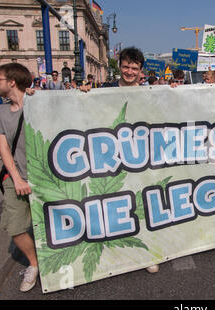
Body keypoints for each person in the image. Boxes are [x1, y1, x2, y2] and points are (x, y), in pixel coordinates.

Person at [79, 47, 159, 273]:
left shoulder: (150, 93)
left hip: (141, 159)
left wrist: (172, 90)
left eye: (134, 68)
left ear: (141, 71)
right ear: (119, 66)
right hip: (112, 160)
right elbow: (83, 110)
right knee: (116, 206)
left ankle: (146, 254)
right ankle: (117, 253)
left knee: (143, 207)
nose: (130, 71)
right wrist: (83, 92)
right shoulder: (104, 90)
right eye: (126, 67)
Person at [0, 62, 39, 292]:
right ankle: (34, 264)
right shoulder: (0, 111)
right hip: (16, 176)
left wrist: (83, 90)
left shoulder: (38, 102)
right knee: (16, 228)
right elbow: (3, 149)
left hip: (44, 176)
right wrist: (18, 179)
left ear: (12, 82)